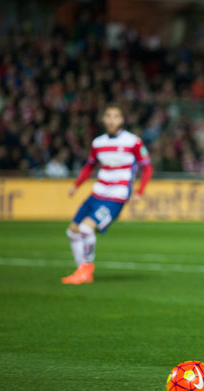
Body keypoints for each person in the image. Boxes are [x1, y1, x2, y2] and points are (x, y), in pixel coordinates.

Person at [62, 105, 153, 285]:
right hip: (97, 193)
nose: (112, 120)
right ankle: (82, 270)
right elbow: (89, 166)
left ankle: (86, 270)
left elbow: (147, 167)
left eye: (116, 117)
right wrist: (76, 185)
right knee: (72, 231)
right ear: (103, 119)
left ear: (121, 120)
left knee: (86, 228)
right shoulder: (98, 143)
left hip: (116, 197)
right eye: (108, 116)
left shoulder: (133, 142)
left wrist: (140, 191)